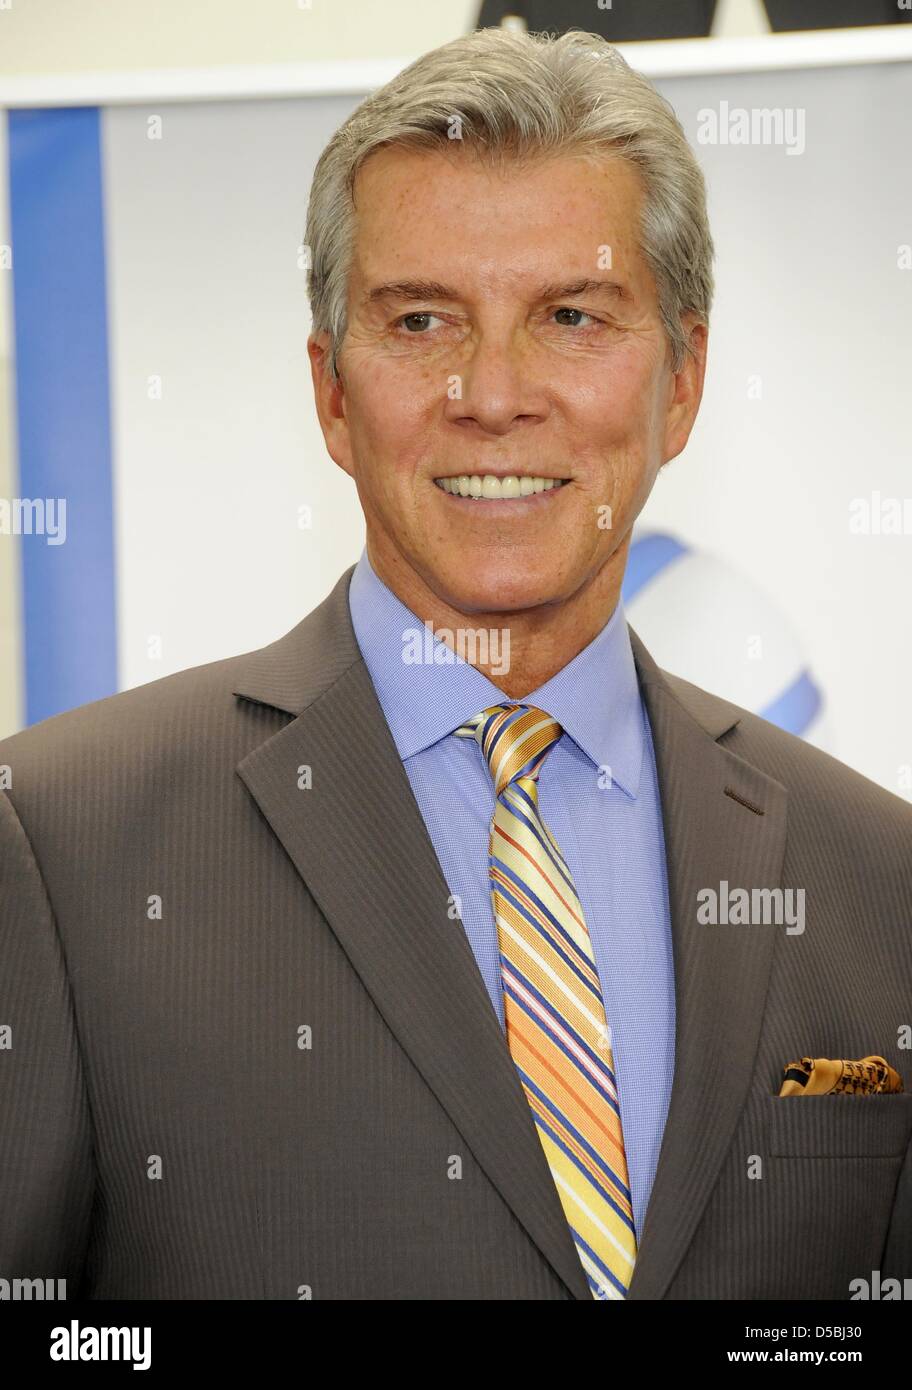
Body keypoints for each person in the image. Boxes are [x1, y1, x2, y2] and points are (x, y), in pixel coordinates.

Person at [1, 26, 910, 1301]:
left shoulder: (878, 879)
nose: (493, 393)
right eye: (421, 319)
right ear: (330, 392)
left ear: (684, 383)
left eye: (572, 316)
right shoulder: (59, 844)